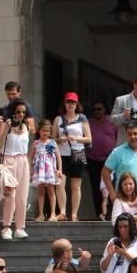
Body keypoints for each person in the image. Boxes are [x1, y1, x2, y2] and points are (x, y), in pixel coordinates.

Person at [52, 92, 91, 221]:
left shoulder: (82, 118)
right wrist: (60, 139)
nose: (70, 105)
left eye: (73, 102)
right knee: (59, 184)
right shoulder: (58, 119)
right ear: (65, 103)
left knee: (76, 186)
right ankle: (62, 212)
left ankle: (74, 214)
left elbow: (89, 138)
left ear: (77, 104)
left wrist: (77, 138)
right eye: (68, 102)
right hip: (62, 155)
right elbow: (52, 139)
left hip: (78, 153)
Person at [0, 101, 31, 240]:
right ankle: (6, 227)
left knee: (22, 196)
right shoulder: (6, 124)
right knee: (10, 195)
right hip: (9, 160)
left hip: (23, 161)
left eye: (23, 112)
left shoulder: (26, 126)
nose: (21, 114)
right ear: (13, 112)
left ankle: (20, 227)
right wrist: (6, 128)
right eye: (18, 111)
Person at [87, 101, 119, 220]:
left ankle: (110, 213)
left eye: (99, 109)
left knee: (110, 187)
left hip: (109, 160)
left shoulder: (112, 121)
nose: (97, 111)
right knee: (96, 189)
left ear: (104, 110)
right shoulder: (88, 122)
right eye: (95, 109)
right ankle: (99, 214)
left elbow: (118, 138)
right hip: (93, 160)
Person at [30, 119, 62, 221]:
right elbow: (30, 156)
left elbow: (58, 157)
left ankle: (52, 214)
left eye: (48, 131)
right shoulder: (36, 143)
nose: (46, 133)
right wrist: (30, 168)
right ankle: (41, 214)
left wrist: (59, 169)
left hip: (50, 170)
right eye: (44, 130)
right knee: (40, 191)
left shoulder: (52, 142)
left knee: (51, 190)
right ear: (39, 130)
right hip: (39, 170)